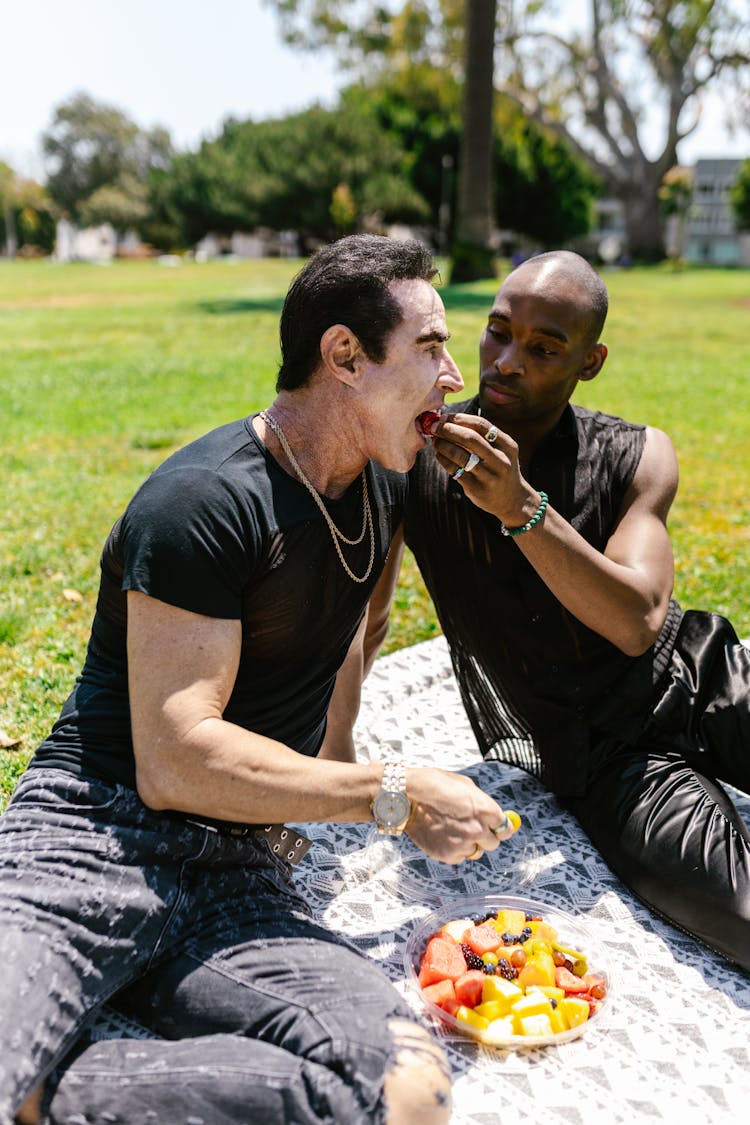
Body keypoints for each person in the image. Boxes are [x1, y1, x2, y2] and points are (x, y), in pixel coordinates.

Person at [0, 234, 520, 1125]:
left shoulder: (381, 485)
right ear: (345, 356)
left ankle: (54, 1088)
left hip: (240, 864)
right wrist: (385, 791)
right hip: (97, 833)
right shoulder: (202, 502)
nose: (453, 377)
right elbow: (175, 760)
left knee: (407, 1091)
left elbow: (357, 622)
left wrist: (336, 758)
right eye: (431, 347)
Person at [330, 249, 750, 972]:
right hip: (609, 759)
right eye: (497, 332)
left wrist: (522, 509)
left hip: (708, 680)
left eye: (544, 347)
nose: (506, 361)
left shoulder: (639, 455)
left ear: (591, 361)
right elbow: (363, 621)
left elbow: (638, 621)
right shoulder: (412, 460)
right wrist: (337, 761)